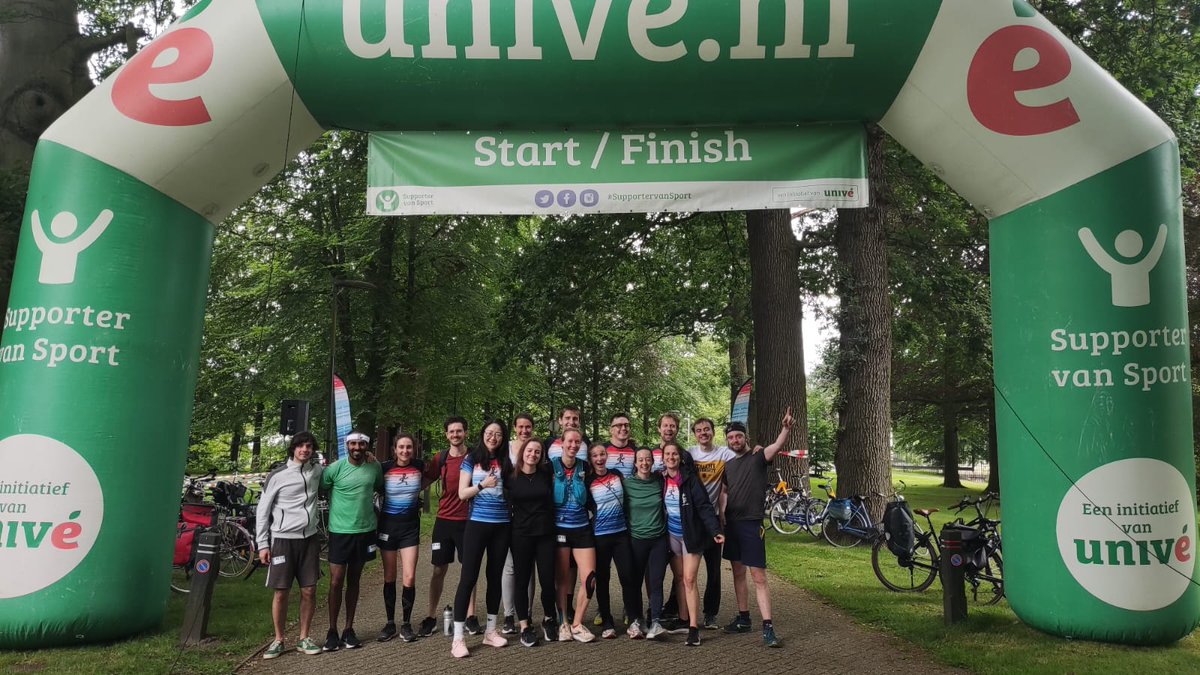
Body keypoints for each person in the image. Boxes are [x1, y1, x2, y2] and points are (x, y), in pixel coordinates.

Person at [720, 410, 794, 648]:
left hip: (752, 525)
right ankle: (743, 619)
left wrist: (786, 429)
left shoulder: (759, 457)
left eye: (738, 437)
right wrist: (721, 515)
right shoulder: (728, 466)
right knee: (738, 573)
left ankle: (768, 627)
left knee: (758, 576)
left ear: (746, 438)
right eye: (731, 438)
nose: (735, 441)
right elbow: (724, 492)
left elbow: (776, 445)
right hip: (732, 525)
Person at [255, 431, 325, 659]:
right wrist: (262, 544)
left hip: (310, 539)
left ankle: (304, 637)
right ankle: (278, 639)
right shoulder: (277, 476)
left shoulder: (316, 471)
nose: (305, 450)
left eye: (309, 446)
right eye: (301, 446)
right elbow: (262, 511)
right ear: (293, 448)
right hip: (283, 540)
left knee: (309, 590)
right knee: (281, 592)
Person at [451, 420, 513, 658]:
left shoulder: (507, 461)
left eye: (498, 434)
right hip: (477, 524)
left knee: (494, 578)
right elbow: (462, 493)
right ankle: (458, 638)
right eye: (489, 433)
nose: (493, 437)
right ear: (483, 434)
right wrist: (482, 484)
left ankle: (490, 631)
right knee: (468, 578)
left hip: (502, 527)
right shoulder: (472, 458)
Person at [321, 431, 384, 652]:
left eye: (361, 444)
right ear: (347, 445)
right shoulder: (334, 469)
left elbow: (379, 487)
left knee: (354, 580)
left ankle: (349, 629)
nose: (357, 447)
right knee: (336, 581)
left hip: (365, 531)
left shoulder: (374, 467)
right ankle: (332, 630)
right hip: (340, 531)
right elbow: (321, 488)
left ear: (367, 446)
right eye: (353, 443)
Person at [418, 416, 478, 637]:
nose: (455, 435)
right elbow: (425, 479)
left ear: (466, 433)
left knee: (468, 570)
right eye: (451, 432)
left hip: (469, 522)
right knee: (438, 570)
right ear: (446, 435)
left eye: (459, 431)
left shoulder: (474, 457)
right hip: (443, 521)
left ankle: (471, 616)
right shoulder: (440, 458)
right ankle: (431, 616)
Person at [662, 441, 724, 647]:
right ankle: (683, 618)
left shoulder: (689, 479)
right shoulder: (661, 479)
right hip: (672, 536)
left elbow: (705, 506)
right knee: (679, 578)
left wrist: (715, 530)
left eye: (674, 454)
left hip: (692, 536)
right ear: (663, 458)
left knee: (689, 579)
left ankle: (694, 628)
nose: (671, 457)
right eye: (667, 454)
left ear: (680, 457)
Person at [376, 433, 431, 643]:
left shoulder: (419, 465)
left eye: (409, 447)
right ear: (394, 449)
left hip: (410, 529)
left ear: (414, 449)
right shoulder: (384, 468)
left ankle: (406, 624)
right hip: (388, 527)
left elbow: (436, 472)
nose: (405, 451)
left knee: (409, 577)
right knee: (390, 577)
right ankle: (390, 623)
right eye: (401, 447)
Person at [586, 443, 643, 639]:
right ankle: (607, 622)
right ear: (591, 459)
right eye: (595, 456)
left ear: (607, 456)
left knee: (628, 576)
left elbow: (628, 499)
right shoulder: (589, 481)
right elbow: (586, 505)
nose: (600, 458)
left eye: (602, 454)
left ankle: (634, 619)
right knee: (602, 580)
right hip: (600, 536)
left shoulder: (617, 474)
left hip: (621, 534)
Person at [506, 438, 559, 647]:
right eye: (530, 450)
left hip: (545, 534)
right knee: (522, 581)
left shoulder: (546, 473)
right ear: (522, 453)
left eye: (537, 451)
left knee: (547, 581)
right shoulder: (510, 476)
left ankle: (548, 619)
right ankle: (525, 626)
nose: (533, 454)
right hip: (520, 535)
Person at [686, 417, 737, 629]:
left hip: (714, 519)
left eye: (706, 429)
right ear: (695, 434)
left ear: (713, 432)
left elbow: (744, 456)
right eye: (699, 430)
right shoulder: (689, 454)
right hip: (692, 519)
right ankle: (682, 612)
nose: (703, 433)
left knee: (714, 570)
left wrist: (757, 448)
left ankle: (710, 614)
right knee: (687, 572)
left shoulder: (724, 454)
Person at [551, 428, 597, 643]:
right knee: (561, 579)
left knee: (590, 579)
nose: (573, 445)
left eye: (577, 442)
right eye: (570, 441)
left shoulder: (586, 468)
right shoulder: (548, 467)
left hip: (582, 529)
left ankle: (578, 623)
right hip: (559, 530)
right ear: (562, 442)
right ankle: (563, 623)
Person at [626, 448, 670, 640]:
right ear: (635, 463)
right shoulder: (627, 484)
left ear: (653, 462)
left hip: (658, 539)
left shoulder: (660, 481)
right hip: (636, 540)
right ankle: (636, 619)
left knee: (656, 581)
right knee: (634, 582)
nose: (644, 463)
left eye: (648, 460)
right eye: (640, 460)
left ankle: (656, 621)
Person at [501, 412, 538, 635]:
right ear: (514, 428)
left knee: (529, 568)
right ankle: (508, 614)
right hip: (508, 513)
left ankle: (528, 613)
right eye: (521, 427)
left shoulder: (536, 448)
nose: (524, 431)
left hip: (532, 516)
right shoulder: (506, 449)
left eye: (528, 427)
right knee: (510, 566)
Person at [604, 412, 638, 479]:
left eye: (626, 425)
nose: (623, 428)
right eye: (619, 425)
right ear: (611, 430)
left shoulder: (636, 451)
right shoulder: (603, 449)